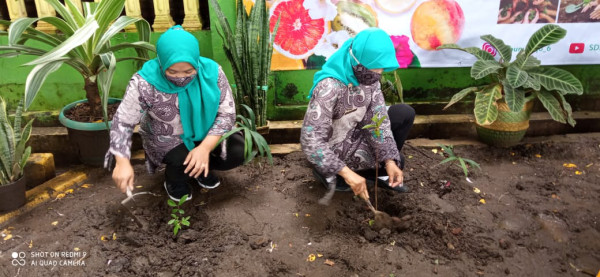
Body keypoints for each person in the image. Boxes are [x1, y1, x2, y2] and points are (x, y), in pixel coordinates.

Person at [105, 26, 244, 201]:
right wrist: (122, 162)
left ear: (196, 62)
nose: (181, 77)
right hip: (167, 137)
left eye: (188, 71)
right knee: (181, 159)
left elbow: (227, 114)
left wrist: (204, 148)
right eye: (172, 71)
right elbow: (123, 122)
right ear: (161, 63)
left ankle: (202, 167)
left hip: (207, 132)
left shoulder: (212, 72)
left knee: (237, 151)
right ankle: (175, 182)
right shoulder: (145, 83)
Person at [301, 28, 415, 201]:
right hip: (330, 147)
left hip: (355, 135)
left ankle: (373, 173)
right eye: (372, 69)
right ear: (357, 59)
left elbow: (378, 121)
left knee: (400, 132)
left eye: (381, 69)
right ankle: (333, 173)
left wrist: (389, 161)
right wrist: (346, 172)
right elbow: (311, 141)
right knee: (335, 165)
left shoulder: (370, 80)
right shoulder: (329, 87)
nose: (377, 74)